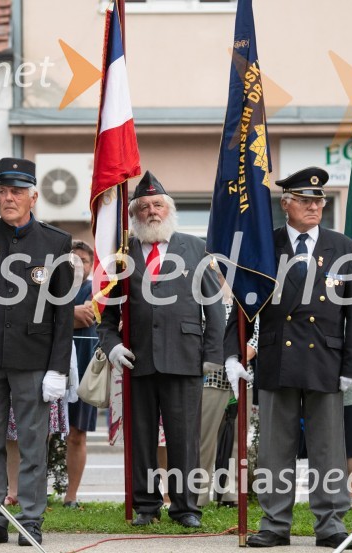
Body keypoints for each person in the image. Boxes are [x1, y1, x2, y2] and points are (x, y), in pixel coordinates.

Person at [225, 166, 352, 549]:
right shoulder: (263, 246)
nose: (313, 207)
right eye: (305, 200)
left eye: (318, 201)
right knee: (276, 448)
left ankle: (331, 523)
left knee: (328, 447)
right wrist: (232, 353)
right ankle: (275, 523)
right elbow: (243, 306)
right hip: (277, 357)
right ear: (285, 204)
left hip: (327, 359)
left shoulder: (343, 249)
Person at [0, 157, 74, 546]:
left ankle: (30, 519)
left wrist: (58, 368)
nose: (8, 198)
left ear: (33, 196)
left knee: (34, 445)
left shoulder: (55, 242)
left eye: (17, 192)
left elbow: (63, 312)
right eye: (2, 191)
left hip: (33, 359)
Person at [98, 171, 225, 529]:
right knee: (140, 439)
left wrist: (210, 357)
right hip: (137, 359)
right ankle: (146, 505)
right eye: (144, 207)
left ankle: (186, 508)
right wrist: (113, 347)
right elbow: (106, 319)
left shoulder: (195, 248)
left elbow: (214, 309)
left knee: (185, 438)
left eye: (158, 205)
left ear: (169, 209)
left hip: (186, 358)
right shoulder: (121, 257)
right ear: (135, 215)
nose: (152, 211)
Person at [197, 273, 257, 508]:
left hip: (242, 376)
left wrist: (248, 351)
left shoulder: (248, 294)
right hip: (212, 377)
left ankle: (229, 492)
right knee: (206, 438)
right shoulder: (205, 292)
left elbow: (258, 327)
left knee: (238, 438)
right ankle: (199, 493)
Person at [63, 240, 99, 508]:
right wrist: (67, 314)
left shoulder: (96, 289)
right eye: (73, 258)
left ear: (92, 265)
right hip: (51, 366)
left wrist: (58, 316)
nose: (78, 263)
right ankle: (32, 492)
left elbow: (89, 316)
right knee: (40, 433)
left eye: (84, 260)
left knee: (77, 434)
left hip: (85, 370)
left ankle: (70, 497)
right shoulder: (55, 289)